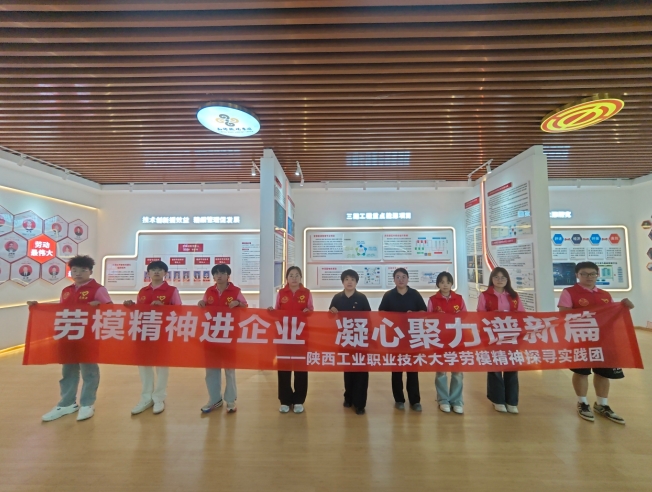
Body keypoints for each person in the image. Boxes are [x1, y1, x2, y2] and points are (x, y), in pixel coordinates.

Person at [27, 255, 113, 422]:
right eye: (74, 270)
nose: (78, 273)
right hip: (68, 336)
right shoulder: (66, 290)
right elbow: (61, 310)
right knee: (68, 371)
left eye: (83, 270)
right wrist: (38, 307)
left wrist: (100, 306)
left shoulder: (98, 289)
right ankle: (67, 403)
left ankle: (87, 403)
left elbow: (111, 310)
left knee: (89, 371)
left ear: (90, 271)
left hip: (88, 336)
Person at [558, 261, 634, 424]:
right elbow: (564, 314)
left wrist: (625, 307)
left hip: (603, 340)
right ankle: (582, 402)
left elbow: (612, 316)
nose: (589, 277)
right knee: (581, 372)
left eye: (592, 273)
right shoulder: (569, 292)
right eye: (584, 274)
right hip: (581, 339)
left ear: (597, 274)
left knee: (603, 373)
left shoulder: (604, 294)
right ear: (577, 275)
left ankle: (602, 404)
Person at [124, 260, 180, 416]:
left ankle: (159, 398)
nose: (156, 272)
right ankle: (146, 397)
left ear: (165, 273)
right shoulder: (143, 291)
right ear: (148, 273)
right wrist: (131, 306)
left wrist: (164, 307)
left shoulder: (171, 290)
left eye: (160, 270)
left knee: (162, 366)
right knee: (144, 366)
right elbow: (139, 311)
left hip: (162, 333)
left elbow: (179, 311)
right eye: (153, 269)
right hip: (143, 333)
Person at [197, 263, 248, 414]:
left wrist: (238, 303)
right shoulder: (209, 291)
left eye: (222, 273)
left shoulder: (236, 291)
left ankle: (231, 400)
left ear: (228, 276)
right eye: (216, 273)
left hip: (229, 335)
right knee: (211, 370)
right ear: (213, 276)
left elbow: (245, 306)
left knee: (229, 370)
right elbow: (204, 305)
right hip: (211, 335)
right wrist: (201, 303)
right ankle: (214, 399)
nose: (219, 276)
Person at [378, 267, 427, 412]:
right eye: (398, 277)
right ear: (394, 279)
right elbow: (381, 313)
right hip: (394, 338)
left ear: (408, 279)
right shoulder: (388, 295)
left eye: (404, 276)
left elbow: (423, 311)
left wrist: (414, 314)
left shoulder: (415, 294)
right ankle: (399, 399)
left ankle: (415, 401)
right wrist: (392, 317)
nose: (401, 279)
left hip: (413, 337)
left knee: (412, 370)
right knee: (396, 370)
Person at [477, 267, 525, 414]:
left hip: (511, 336)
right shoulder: (485, 295)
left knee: (512, 367)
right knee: (495, 367)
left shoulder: (514, 295)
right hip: (493, 336)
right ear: (492, 279)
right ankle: (497, 399)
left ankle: (512, 401)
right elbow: (480, 315)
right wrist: (493, 315)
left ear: (507, 279)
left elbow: (522, 314)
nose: (500, 280)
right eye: (496, 277)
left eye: (503, 277)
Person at [269, 266, 313, 414]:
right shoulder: (281, 293)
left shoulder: (306, 293)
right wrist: (272, 311)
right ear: (286, 278)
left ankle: (299, 400)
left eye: (297, 275)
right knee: (284, 367)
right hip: (284, 335)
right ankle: (285, 400)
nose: (294, 278)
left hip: (301, 335)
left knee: (300, 368)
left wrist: (308, 312)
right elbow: (277, 310)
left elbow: (311, 311)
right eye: (291, 275)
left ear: (301, 277)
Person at [329, 269, 372, 415]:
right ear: (342, 281)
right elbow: (330, 318)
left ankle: (360, 404)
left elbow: (369, 319)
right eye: (347, 279)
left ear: (356, 282)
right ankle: (348, 397)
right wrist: (331, 311)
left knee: (361, 371)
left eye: (352, 279)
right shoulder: (337, 298)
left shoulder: (362, 298)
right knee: (348, 370)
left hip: (360, 339)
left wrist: (369, 338)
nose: (349, 282)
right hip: (345, 339)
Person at [427, 271, 467, 415]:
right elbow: (428, 318)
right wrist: (438, 317)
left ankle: (456, 400)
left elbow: (465, 316)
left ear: (452, 284)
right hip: (440, 340)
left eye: (448, 282)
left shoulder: (459, 299)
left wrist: (457, 317)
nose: (445, 285)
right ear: (438, 284)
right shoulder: (433, 300)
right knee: (441, 371)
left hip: (457, 339)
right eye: (442, 282)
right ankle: (443, 400)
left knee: (457, 372)